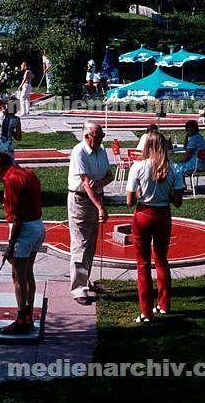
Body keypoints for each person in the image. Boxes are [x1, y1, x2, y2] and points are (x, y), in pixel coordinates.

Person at [0, 151, 46, 334]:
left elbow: (18, 216)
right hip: (38, 225)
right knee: (28, 273)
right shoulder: (27, 173)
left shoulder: (10, 180)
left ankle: (21, 320)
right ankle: (27, 316)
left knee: (18, 276)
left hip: (24, 229)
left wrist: (10, 245)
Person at [126, 131, 184, 322]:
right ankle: (164, 305)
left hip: (143, 214)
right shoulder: (174, 168)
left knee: (142, 264)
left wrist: (140, 193)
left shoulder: (138, 167)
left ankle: (146, 312)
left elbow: (129, 201)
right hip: (162, 215)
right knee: (161, 260)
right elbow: (177, 202)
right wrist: (165, 195)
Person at [67, 120, 113, 305]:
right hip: (80, 200)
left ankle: (85, 280)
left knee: (91, 244)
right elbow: (86, 183)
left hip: (95, 197)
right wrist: (101, 207)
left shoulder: (101, 151)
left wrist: (99, 185)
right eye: (98, 136)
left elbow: (109, 175)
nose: (101, 139)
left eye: (102, 136)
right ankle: (78, 289)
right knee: (80, 245)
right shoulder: (79, 152)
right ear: (87, 136)